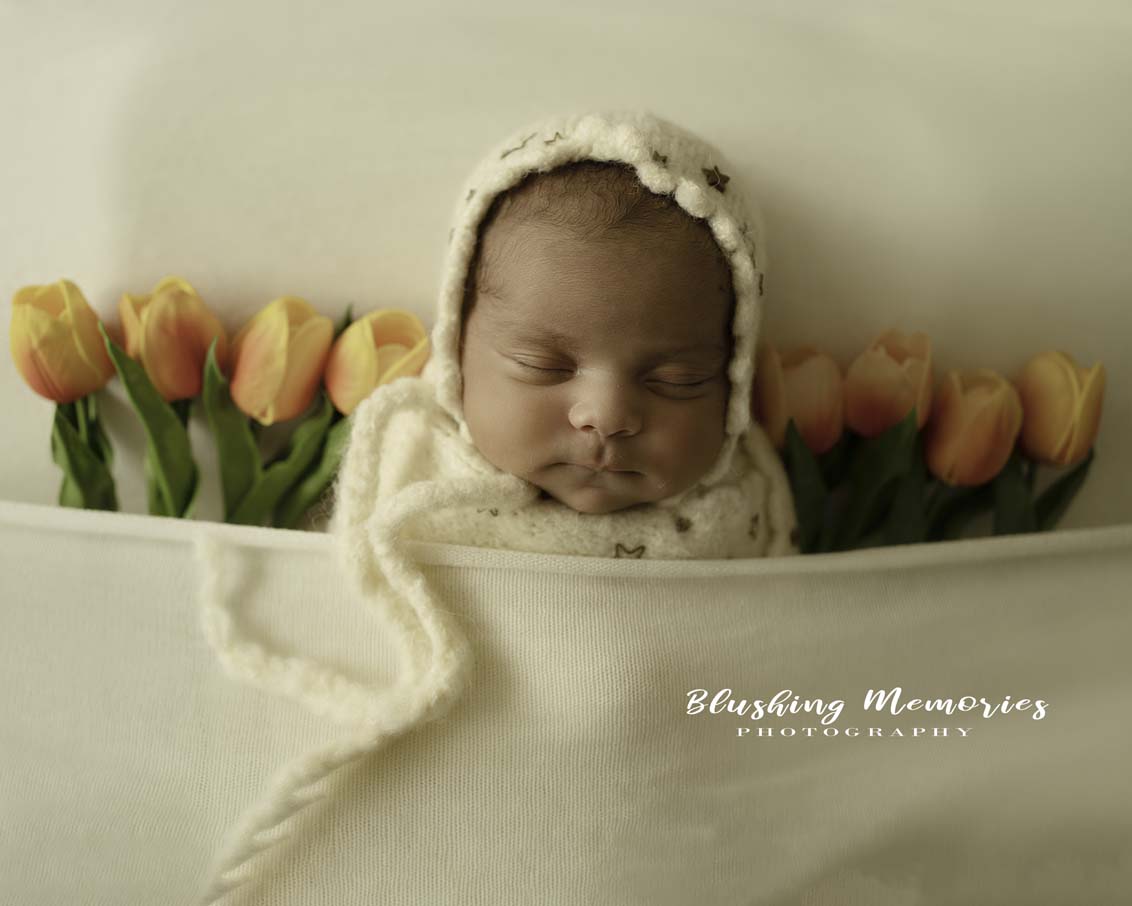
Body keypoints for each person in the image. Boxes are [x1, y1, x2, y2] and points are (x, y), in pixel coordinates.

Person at [195, 109, 798, 903]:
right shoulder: (411, 484)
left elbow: (767, 698)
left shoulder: (741, 515)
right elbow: (347, 634)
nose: (606, 414)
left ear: (734, 385)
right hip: (432, 826)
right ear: (458, 354)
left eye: (677, 380)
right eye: (545, 364)